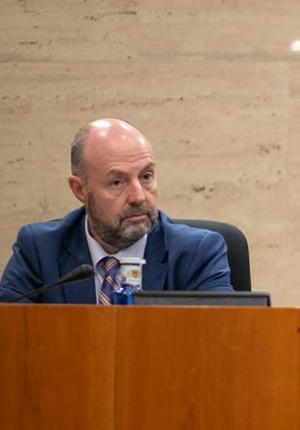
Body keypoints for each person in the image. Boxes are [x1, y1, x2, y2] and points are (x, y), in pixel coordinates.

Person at [0, 119, 233, 303]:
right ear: (80, 189)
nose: (139, 196)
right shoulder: (40, 250)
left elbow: (222, 342)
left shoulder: (197, 254)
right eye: (117, 183)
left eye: (146, 177)